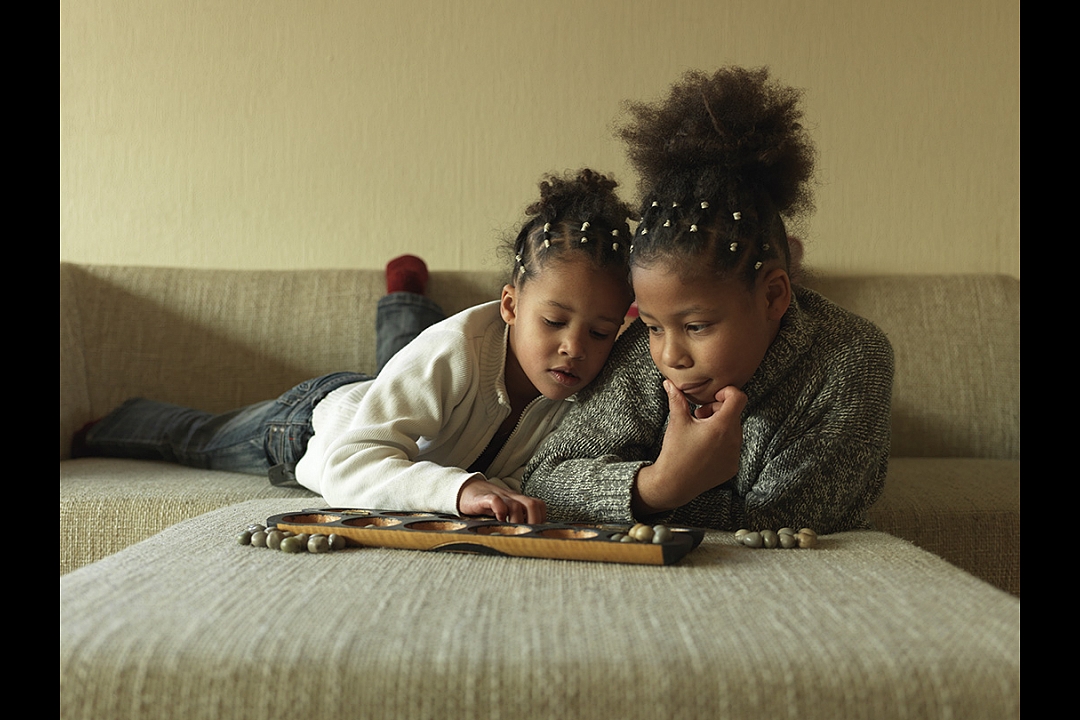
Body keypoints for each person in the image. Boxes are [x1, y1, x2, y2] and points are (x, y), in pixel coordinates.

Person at [78, 169, 636, 524]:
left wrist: (502, 495)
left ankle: (405, 299)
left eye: (599, 331)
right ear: (510, 306)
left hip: (394, 404)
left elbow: (529, 473)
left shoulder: (583, 396)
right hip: (311, 424)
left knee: (400, 375)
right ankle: (114, 423)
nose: (574, 348)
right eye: (555, 321)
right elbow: (351, 468)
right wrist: (462, 490)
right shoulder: (455, 349)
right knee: (197, 437)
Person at [522, 68, 894, 534]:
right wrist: (659, 485)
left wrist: (654, 493)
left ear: (774, 295)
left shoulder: (853, 358)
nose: (669, 355)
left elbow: (789, 518)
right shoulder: (645, 354)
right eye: (653, 325)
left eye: (696, 327)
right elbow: (543, 483)